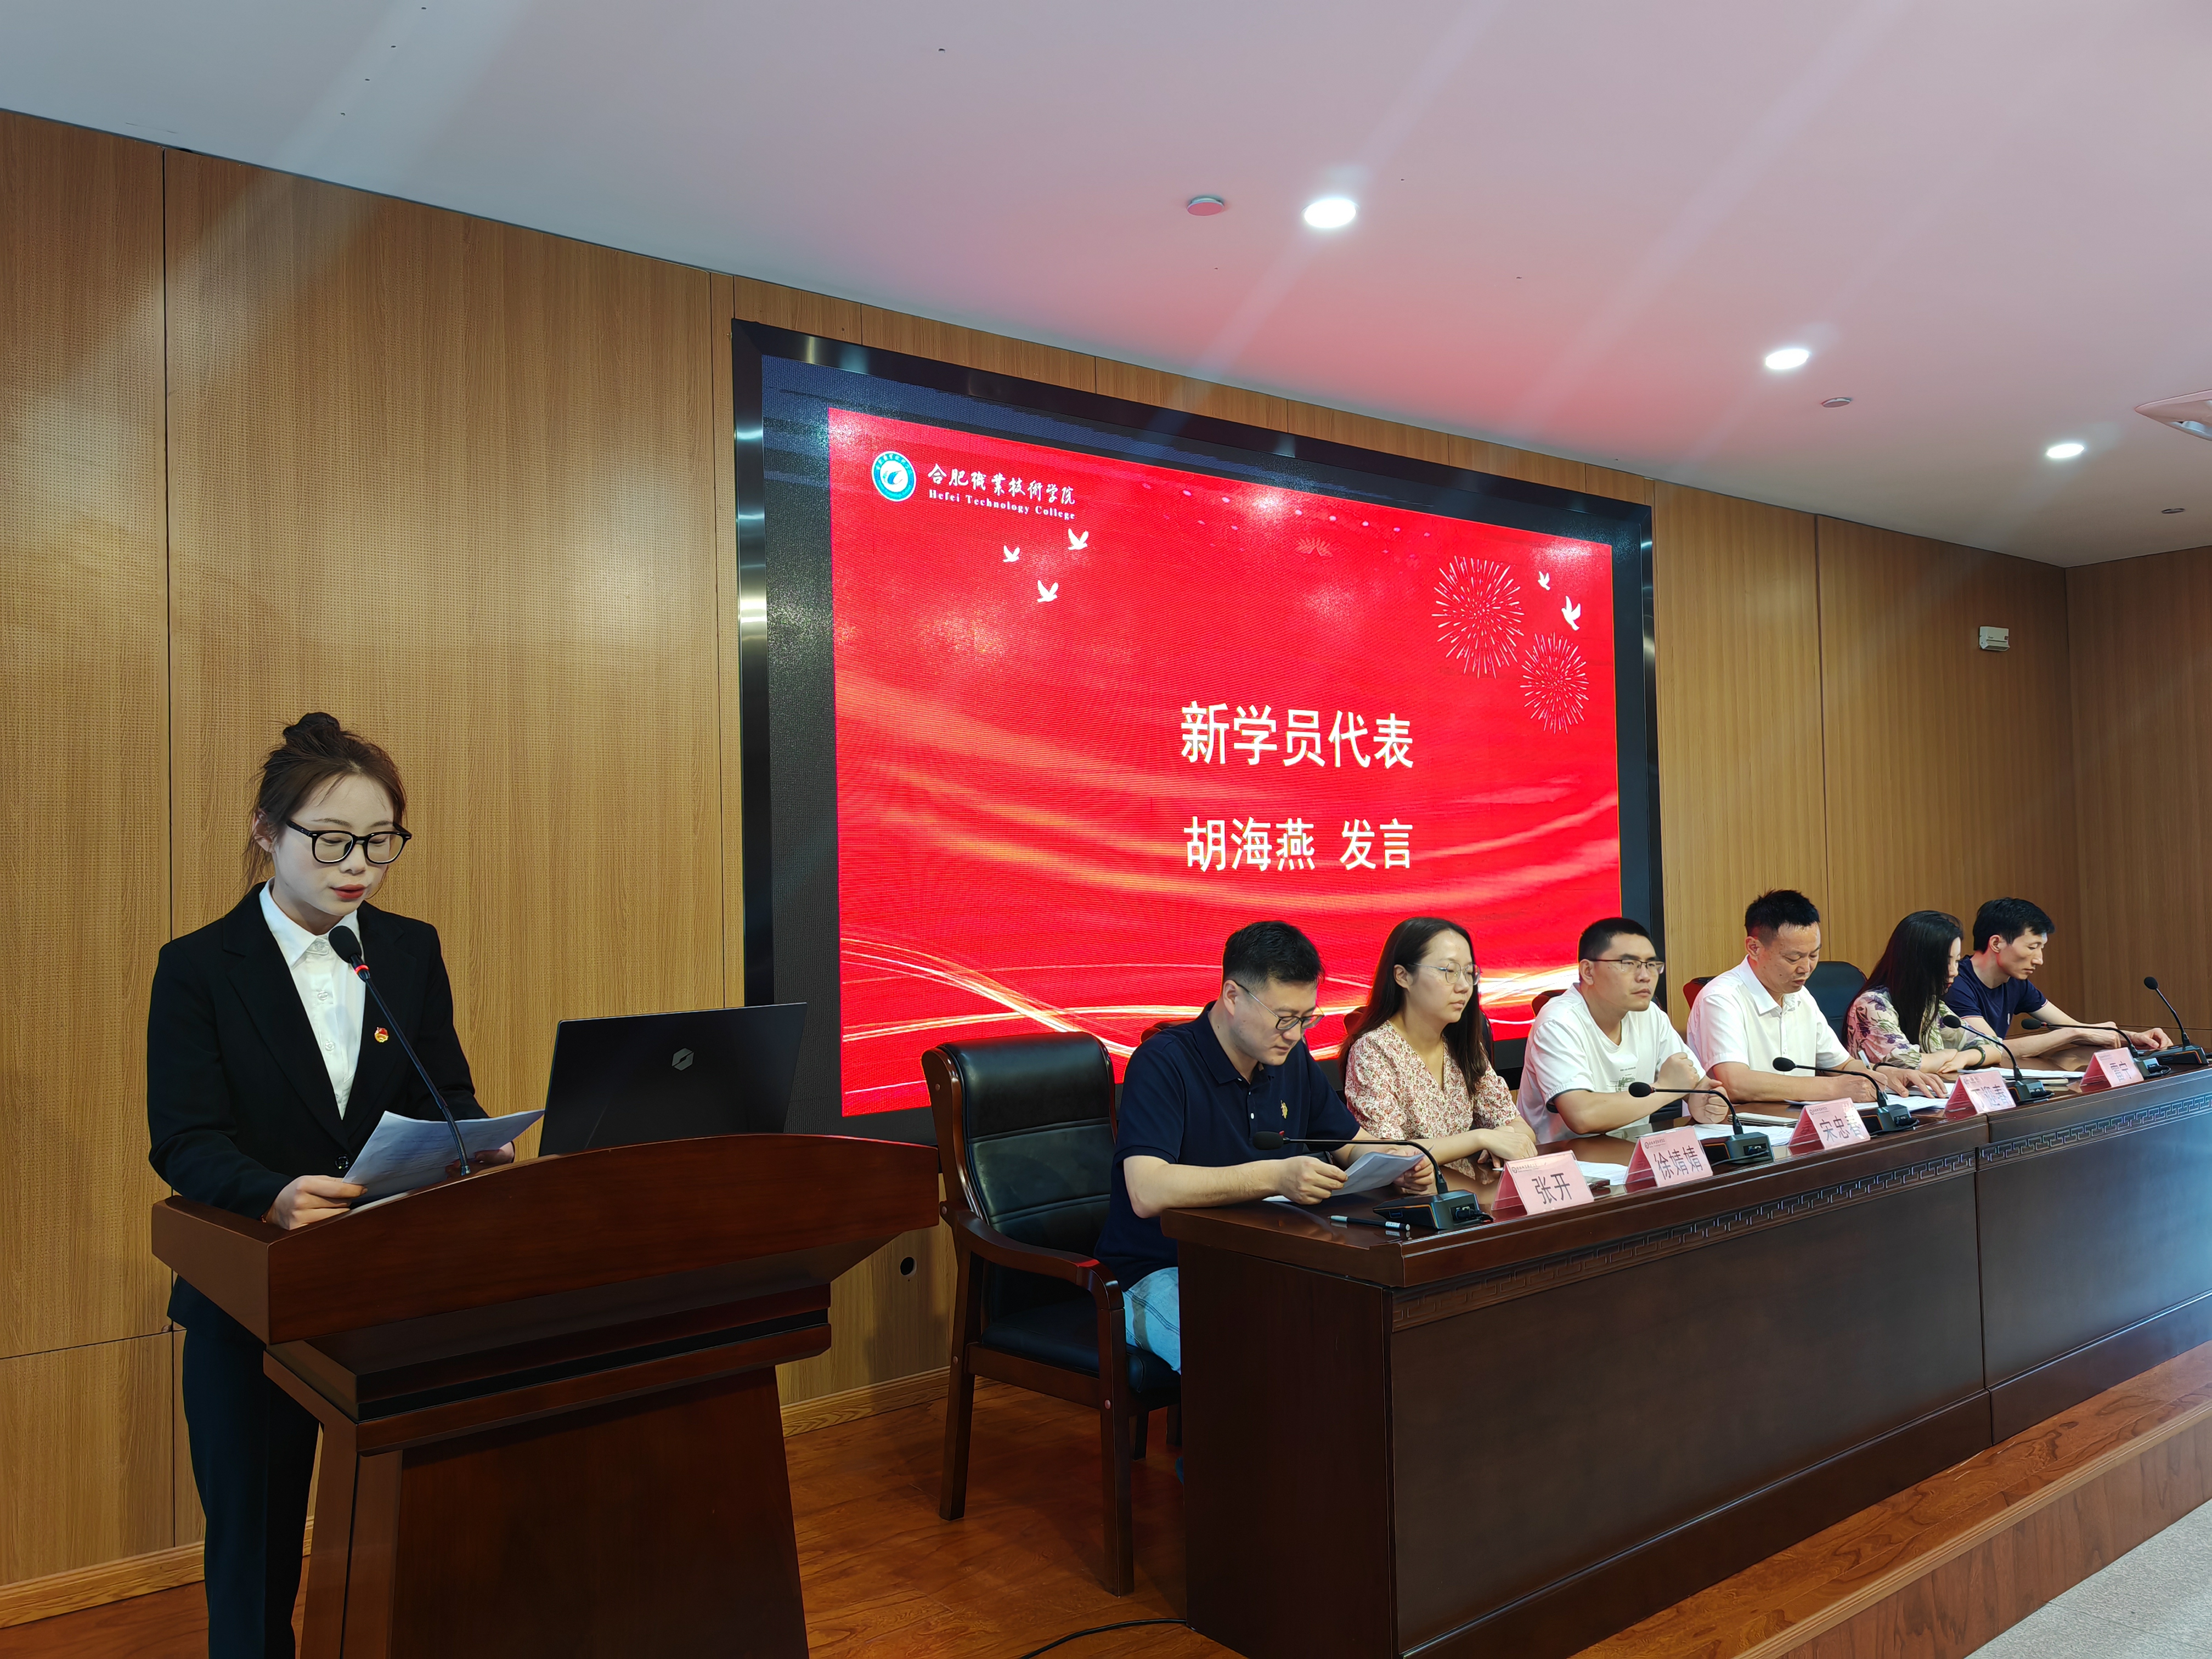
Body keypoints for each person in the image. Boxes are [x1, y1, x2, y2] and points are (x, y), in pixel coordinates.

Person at [146, 714, 507, 1659]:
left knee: (411, 1525)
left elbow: (443, 1089)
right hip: (253, 1297)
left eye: (380, 842)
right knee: (257, 1549)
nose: (359, 867)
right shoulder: (198, 968)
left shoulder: (409, 950)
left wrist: (470, 1141)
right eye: (334, 840)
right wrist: (272, 1194)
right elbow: (184, 1139)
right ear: (268, 830)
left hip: (390, 1289)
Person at [1095, 920, 1429, 1372]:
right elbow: (1147, 1190)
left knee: (1359, 1332)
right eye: (1284, 1018)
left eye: (1307, 1018)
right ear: (1233, 997)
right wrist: (1275, 1176)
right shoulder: (1164, 1063)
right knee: (1249, 1359)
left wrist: (1396, 1164)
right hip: (1159, 1270)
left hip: (1265, 1262)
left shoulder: (1290, 1059)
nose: (1295, 1034)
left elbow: (1349, 1145)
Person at [1686, 889, 1944, 1104]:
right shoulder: (1721, 998)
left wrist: (1879, 1076)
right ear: (1754, 948)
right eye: (1794, 958)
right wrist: (1833, 1089)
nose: (1806, 968)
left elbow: (1842, 1066)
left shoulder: (1801, 996)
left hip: (1800, 1126)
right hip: (1736, 1134)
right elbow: (1735, 1083)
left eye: (1814, 955)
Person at [1341, 917, 1534, 1182]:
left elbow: (1521, 1128)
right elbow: (1391, 1155)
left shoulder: (1461, 1044)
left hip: (1469, 1191)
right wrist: (1482, 1138)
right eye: (1449, 971)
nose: (1464, 986)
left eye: (1469, 972)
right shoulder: (1373, 1051)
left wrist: (1506, 1138)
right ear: (1403, 976)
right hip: (1413, 1199)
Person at [1517, 916, 1732, 1142]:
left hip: (1631, 1150)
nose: (1645, 976)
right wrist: (1667, 1088)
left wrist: (1707, 1100)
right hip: (1565, 1157)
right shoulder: (1558, 1022)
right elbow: (1582, 1115)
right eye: (1629, 964)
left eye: (1651, 965)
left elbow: (1694, 1083)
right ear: (1588, 971)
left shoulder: (1650, 1014)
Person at [1945, 898, 2169, 1063]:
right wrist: (2073, 1033)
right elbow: (1995, 1048)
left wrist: (2133, 1038)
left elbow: (2072, 1027)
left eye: (2041, 948)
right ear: (1997, 943)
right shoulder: (1956, 984)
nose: (2039, 960)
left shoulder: (2015, 982)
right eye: (2032, 947)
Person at [1845, 911, 2001, 1076]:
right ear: (1916, 962)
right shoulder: (1871, 1004)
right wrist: (1946, 1055)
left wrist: (1964, 1058)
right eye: (1945, 962)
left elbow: (1995, 1046)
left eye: (1956, 961)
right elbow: (1908, 1063)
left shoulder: (1929, 1004)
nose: (1954, 971)